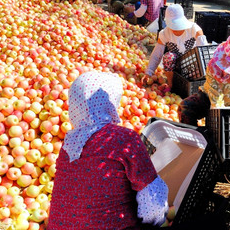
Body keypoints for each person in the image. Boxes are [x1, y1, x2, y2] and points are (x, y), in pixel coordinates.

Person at [48, 71, 169, 230]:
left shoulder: (68, 145)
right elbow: (153, 203)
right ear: (111, 101)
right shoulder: (123, 138)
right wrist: (158, 221)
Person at [178, 34, 230, 126]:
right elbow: (214, 98)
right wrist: (217, 118)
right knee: (186, 106)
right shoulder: (214, 67)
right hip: (211, 97)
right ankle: (195, 134)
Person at [142, 4, 207, 90]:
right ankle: (171, 85)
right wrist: (148, 73)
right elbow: (156, 54)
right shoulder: (164, 33)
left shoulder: (194, 29)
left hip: (192, 64)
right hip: (176, 65)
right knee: (168, 57)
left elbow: (204, 50)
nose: (176, 29)